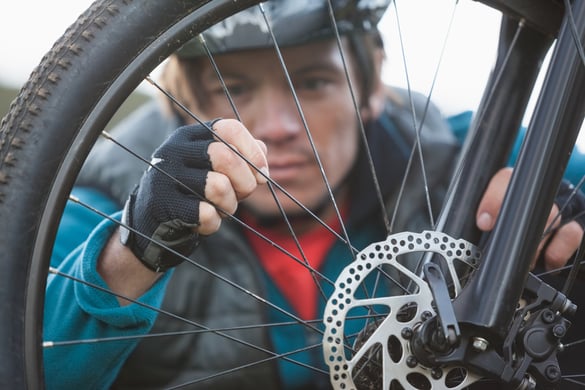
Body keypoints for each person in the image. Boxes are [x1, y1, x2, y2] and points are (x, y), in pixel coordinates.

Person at [44, 1, 585, 389]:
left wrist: (570, 228)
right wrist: (129, 253)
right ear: (187, 102)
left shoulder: (462, 154)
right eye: (234, 88)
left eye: (313, 83)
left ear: (370, 86)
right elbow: (26, 357)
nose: (279, 126)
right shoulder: (97, 197)